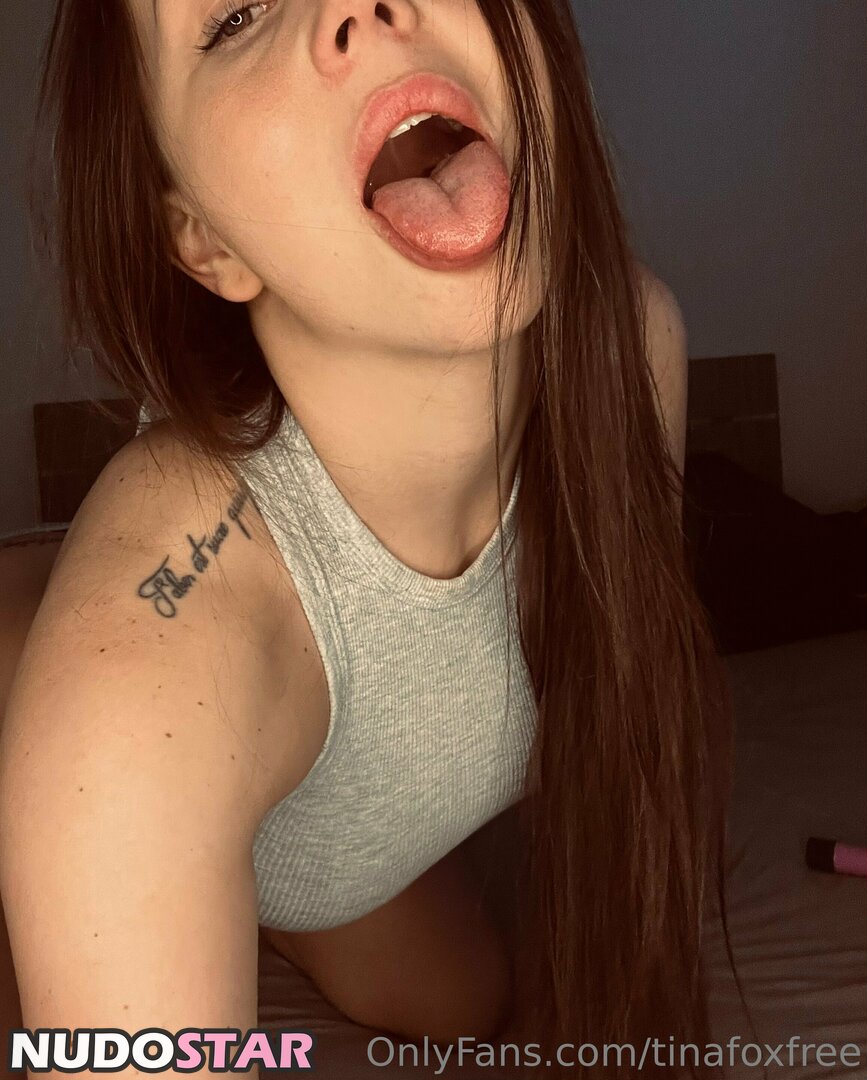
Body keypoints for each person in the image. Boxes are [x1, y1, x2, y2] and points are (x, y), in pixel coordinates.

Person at [0, 1, 736, 1077]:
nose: (352, 6)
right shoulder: (147, 659)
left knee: (469, 998)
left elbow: (624, 796)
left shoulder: (635, 351)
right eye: (236, 13)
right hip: (52, 726)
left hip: (257, 813)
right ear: (204, 240)